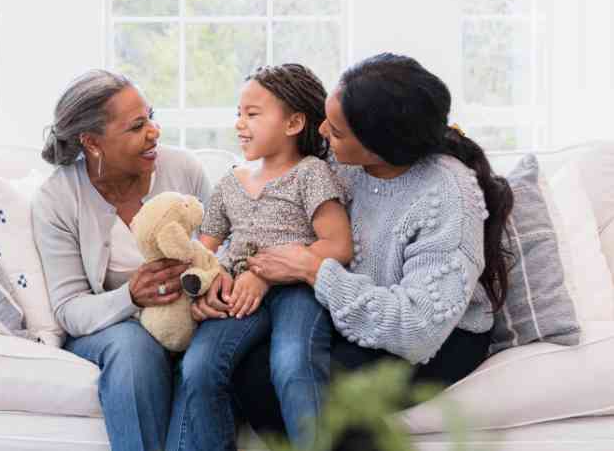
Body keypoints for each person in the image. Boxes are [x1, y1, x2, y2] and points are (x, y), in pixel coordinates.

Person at [215, 53, 514, 438]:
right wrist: (224, 273)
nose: (322, 131)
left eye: (337, 131)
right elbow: (267, 218)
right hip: (346, 315)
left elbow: (416, 329)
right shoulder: (338, 163)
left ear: (380, 146)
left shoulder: (447, 196)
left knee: (317, 393)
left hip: (436, 334)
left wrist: (311, 269)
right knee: (252, 373)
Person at [166, 64, 354, 451]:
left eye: (252, 114)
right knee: (198, 369)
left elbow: (337, 246)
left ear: (294, 123)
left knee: (293, 365)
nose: (239, 123)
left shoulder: (311, 174)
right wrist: (207, 286)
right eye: (238, 113)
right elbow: (204, 250)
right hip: (238, 296)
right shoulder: (229, 183)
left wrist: (266, 272)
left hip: (298, 290)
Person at [32, 69, 210, 451]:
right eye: (136, 126)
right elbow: (69, 308)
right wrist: (131, 295)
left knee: (209, 356)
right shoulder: (59, 198)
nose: (154, 132)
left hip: (189, 316)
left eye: (152, 116)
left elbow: (218, 251)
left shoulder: (183, 169)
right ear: (92, 142)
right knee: (133, 348)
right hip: (110, 330)